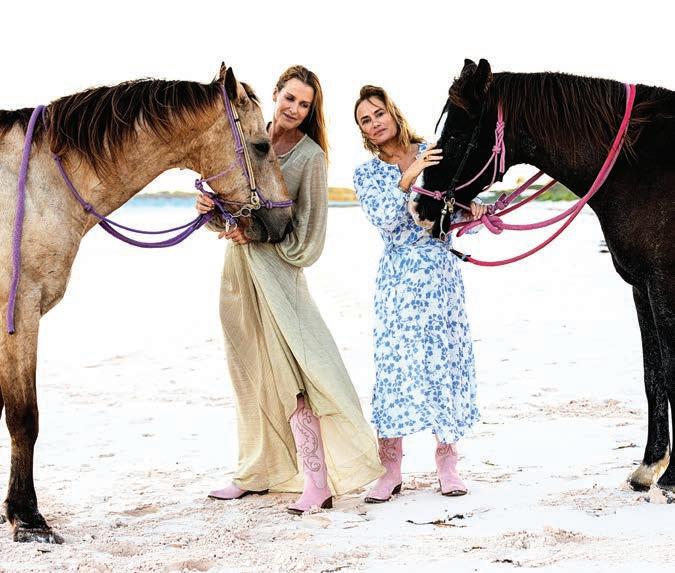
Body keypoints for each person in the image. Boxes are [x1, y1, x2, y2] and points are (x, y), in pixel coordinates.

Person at [196, 66, 383, 515]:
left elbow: (309, 236)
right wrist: (209, 211)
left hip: (280, 277)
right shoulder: (246, 139)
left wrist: (253, 234)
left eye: (304, 104)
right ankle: (255, 472)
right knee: (252, 375)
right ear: (276, 94)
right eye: (290, 98)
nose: (295, 109)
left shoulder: (311, 157)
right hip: (239, 275)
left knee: (295, 379)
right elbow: (230, 212)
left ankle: (317, 483)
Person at [352, 85, 486, 503]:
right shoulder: (367, 173)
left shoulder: (435, 151)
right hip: (399, 278)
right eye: (365, 120)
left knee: (445, 362)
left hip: (440, 274)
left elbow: (454, 209)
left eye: (378, 113)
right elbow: (387, 221)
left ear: (392, 112)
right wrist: (408, 177)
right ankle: (390, 468)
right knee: (395, 367)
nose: (374, 123)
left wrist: (473, 209)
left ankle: (448, 463)